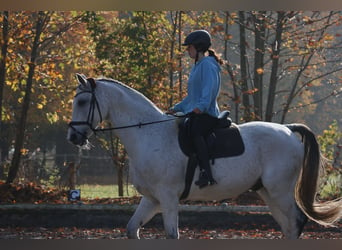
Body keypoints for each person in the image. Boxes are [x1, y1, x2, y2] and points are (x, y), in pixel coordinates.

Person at [167, 30, 223, 188]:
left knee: (195, 131)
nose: (187, 50)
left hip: (207, 114)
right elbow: (191, 98)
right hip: (197, 111)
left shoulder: (208, 65)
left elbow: (209, 90)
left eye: (189, 47)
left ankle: (206, 173)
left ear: (198, 47)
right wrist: (175, 108)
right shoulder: (198, 65)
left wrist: (200, 107)